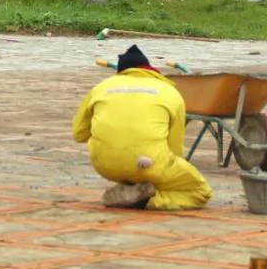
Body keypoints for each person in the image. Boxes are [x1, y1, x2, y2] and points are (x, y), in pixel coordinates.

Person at [70, 45, 212, 211]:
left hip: (104, 165)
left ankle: (131, 189)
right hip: (148, 163)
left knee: (129, 165)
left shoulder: (100, 88)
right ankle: (149, 200)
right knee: (200, 192)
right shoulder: (170, 92)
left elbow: (78, 135)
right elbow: (175, 148)